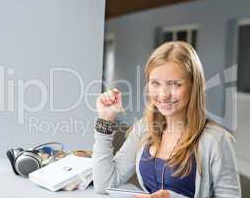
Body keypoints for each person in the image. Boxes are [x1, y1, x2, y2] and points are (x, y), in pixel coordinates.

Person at [92, 41, 241, 198]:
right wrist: (105, 121)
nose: (163, 95)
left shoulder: (217, 139)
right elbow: (105, 184)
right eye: (155, 83)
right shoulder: (144, 128)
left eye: (175, 84)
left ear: (193, 85)